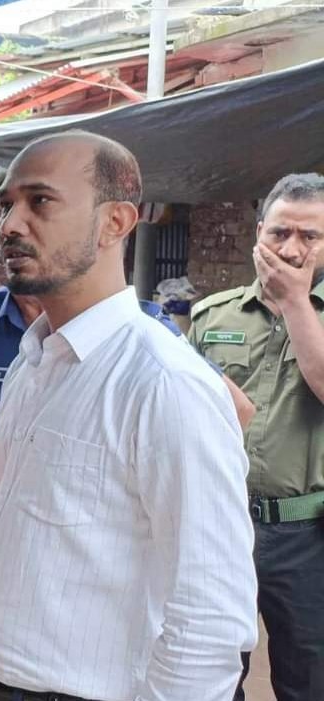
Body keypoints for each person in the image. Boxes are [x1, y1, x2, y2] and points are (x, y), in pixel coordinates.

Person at [0, 131, 258, 701]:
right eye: (6, 205)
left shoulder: (164, 382)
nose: (10, 226)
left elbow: (211, 613)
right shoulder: (34, 360)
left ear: (115, 223)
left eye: (40, 201)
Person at [188, 172, 324, 701]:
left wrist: (295, 303)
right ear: (259, 233)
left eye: (310, 237)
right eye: (280, 233)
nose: (291, 249)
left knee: (307, 675)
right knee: (213, 668)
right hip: (221, 524)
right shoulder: (211, 315)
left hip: (306, 534)